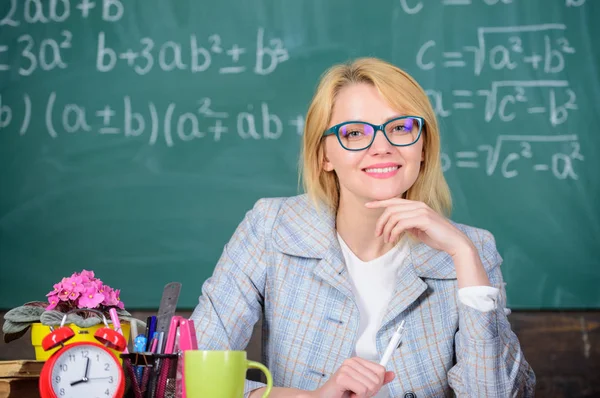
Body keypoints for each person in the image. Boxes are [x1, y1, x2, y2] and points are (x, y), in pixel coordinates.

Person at [190, 57, 536, 397]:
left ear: (423, 146)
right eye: (354, 133)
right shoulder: (271, 227)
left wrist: (464, 256)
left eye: (400, 128)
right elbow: (192, 374)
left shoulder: (473, 248)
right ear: (324, 155)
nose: (382, 147)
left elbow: (495, 392)